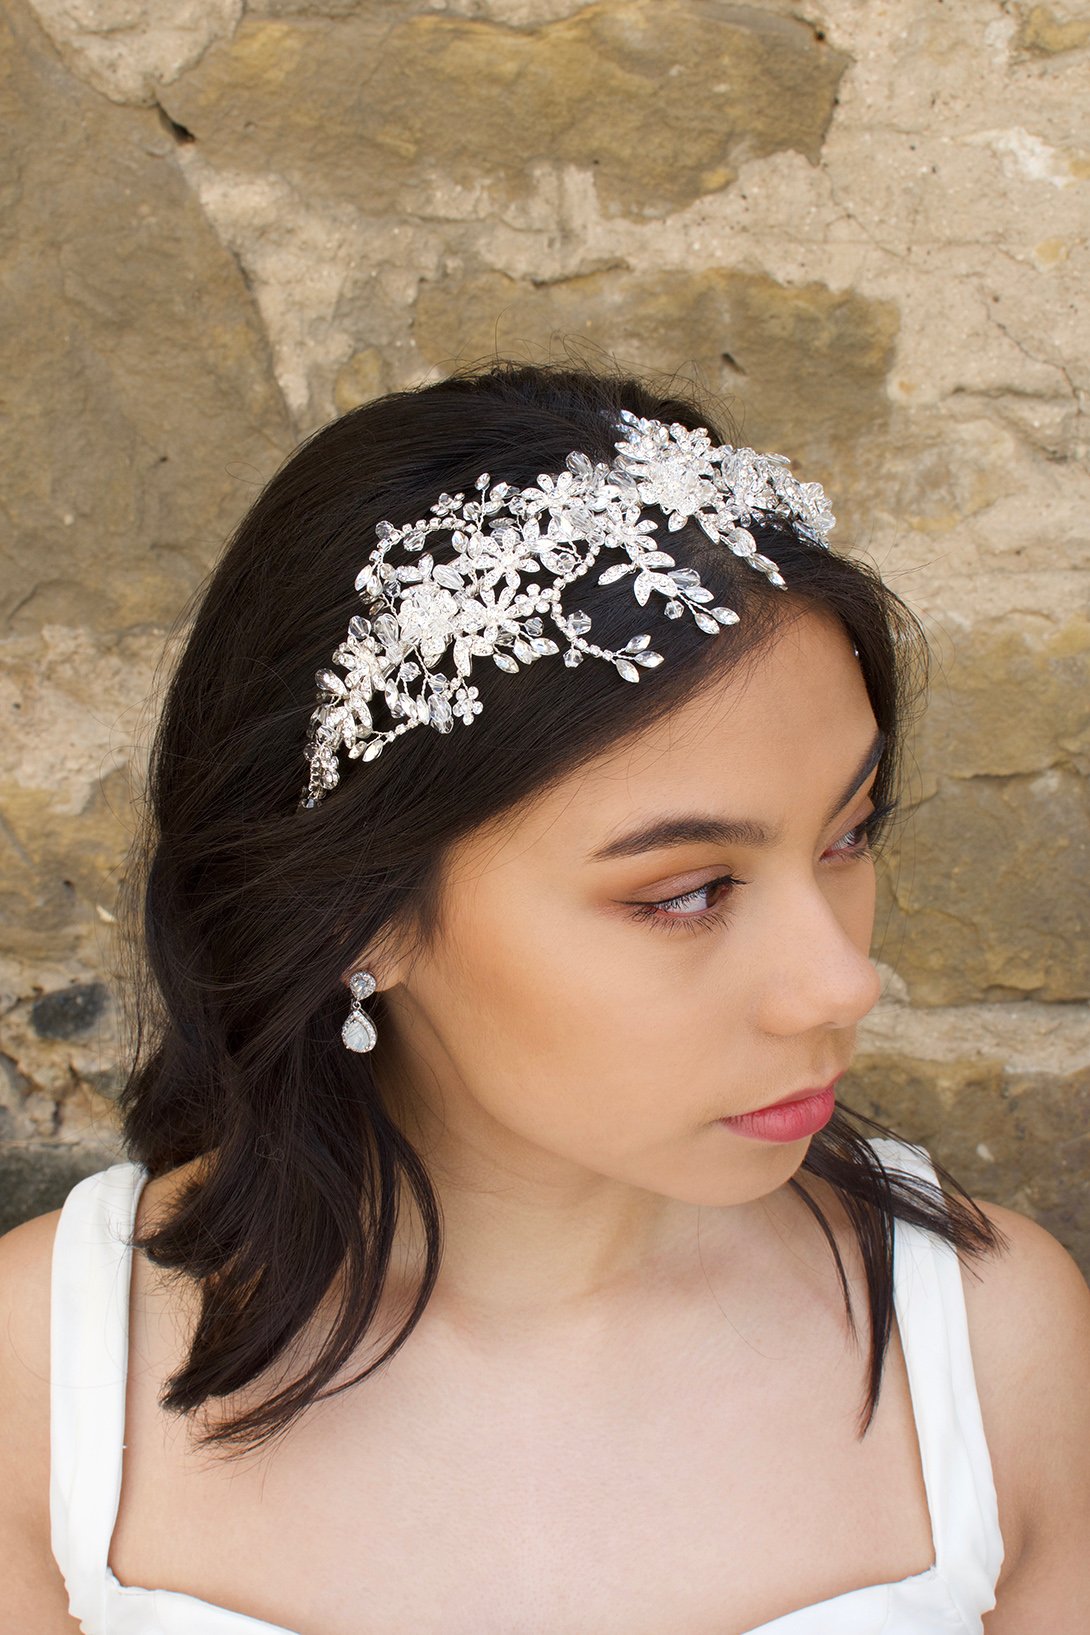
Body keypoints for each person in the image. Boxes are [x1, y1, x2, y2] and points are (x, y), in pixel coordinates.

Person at [2, 361, 1087, 1634]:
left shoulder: (992, 1345)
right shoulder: (47, 1382)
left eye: (847, 834)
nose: (843, 979)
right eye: (683, 893)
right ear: (357, 911)